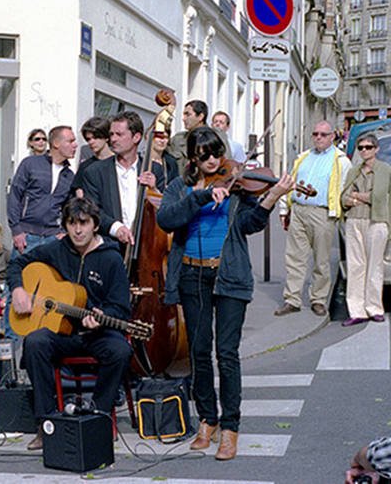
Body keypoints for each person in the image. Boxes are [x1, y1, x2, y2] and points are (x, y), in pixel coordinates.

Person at [157, 127, 294, 461]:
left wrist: (272, 197)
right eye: (204, 155)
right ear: (192, 158)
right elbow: (166, 219)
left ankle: (231, 427)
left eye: (216, 153)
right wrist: (203, 195)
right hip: (192, 274)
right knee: (199, 351)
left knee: (227, 352)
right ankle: (208, 419)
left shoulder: (236, 184)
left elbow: (250, 224)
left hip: (229, 273)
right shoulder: (180, 187)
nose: (213, 160)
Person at [7, 197, 132, 450]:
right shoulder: (56, 249)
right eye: (72, 223)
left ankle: (98, 417)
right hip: (63, 332)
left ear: (95, 225)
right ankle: (46, 422)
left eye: (83, 223)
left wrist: (101, 316)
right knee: (35, 342)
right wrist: (18, 289)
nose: (77, 230)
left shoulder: (111, 258)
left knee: (120, 350)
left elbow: (120, 307)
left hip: (97, 333)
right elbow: (17, 263)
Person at [275, 120, 352, 317]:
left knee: (321, 260)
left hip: (322, 213)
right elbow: (290, 182)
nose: (318, 138)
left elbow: (345, 188)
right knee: (294, 257)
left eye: (323, 134)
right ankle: (292, 299)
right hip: (299, 209)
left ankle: (318, 299)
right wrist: (284, 210)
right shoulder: (303, 157)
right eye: (315, 134)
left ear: (332, 136)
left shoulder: (341, 160)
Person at [340, 133, 391, 326]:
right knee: (355, 266)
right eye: (361, 147)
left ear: (376, 149)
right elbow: (344, 197)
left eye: (368, 147)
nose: (364, 151)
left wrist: (356, 196)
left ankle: (374, 308)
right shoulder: (354, 171)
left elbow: (378, 196)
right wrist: (355, 198)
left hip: (376, 220)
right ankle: (356, 310)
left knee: (374, 266)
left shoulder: (384, 170)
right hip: (354, 220)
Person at [7, 125, 77, 255]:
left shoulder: (69, 175)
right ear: (56, 143)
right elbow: (14, 196)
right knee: (19, 268)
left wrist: (65, 232)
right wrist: (16, 230)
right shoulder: (30, 164)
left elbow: (69, 208)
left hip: (54, 238)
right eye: (70, 141)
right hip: (27, 236)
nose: (75, 145)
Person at [81, 111, 148, 246]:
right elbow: (92, 209)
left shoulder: (152, 170)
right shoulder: (94, 172)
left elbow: (163, 212)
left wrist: (154, 190)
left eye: (119, 134)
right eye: (111, 134)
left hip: (146, 245)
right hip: (109, 246)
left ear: (136, 137)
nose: (113, 139)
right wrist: (115, 228)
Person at [168, 100, 231, 170]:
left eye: (188, 115)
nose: (184, 119)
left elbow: (226, 162)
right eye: (184, 115)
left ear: (200, 116)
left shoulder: (217, 135)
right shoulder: (178, 139)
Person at [71, 116, 113, 197]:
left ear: (106, 137)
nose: (91, 142)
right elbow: (80, 195)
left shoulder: (118, 162)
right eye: (88, 139)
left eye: (95, 137)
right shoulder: (85, 166)